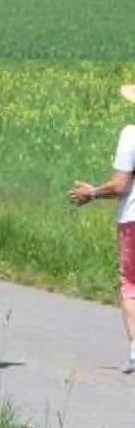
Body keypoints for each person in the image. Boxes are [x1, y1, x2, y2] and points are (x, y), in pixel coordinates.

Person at [63, 81, 135, 375]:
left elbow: (120, 186)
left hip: (133, 219)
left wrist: (91, 193)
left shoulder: (131, 134)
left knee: (131, 284)